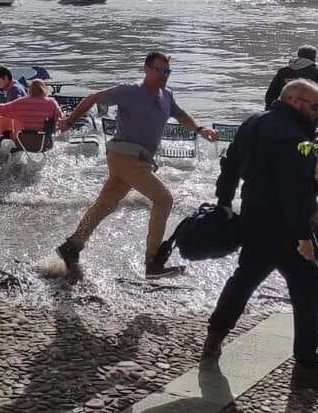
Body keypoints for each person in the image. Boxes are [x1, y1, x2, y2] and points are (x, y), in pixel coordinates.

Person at [203, 79, 318, 394]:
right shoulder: (294, 137)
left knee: (245, 279)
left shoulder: (254, 122)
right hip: (285, 227)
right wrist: (304, 238)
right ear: (295, 101)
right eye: (314, 106)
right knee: (310, 294)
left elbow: (230, 165)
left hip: (253, 217)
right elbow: (294, 194)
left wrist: (225, 202)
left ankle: (213, 338)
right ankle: (307, 368)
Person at [54, 51, 219, 279]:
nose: (164, 75)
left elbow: (181, 116)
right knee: (164, 199)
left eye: (167, 71)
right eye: (160, 70)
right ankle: (153, 263)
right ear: (146, 69)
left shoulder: (167, 95)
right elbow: (93, 97)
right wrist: (70, 121)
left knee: (105, 204)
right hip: (125, 155)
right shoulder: (130, 91)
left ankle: (72, 245)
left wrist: (201, 130)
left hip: (138, 160)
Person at [0, 79, 63, 152]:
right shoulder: (51, 103)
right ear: (44, 89)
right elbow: (60, 119)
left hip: (22, 142)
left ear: (30, 90)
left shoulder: (21, 103)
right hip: (44, 143)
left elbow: (3, 108)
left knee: (12, 130)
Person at [265, 46, 318, 129]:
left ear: (299, 56)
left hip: (283, 115)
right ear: (314, 58)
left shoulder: (283, 72)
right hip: (306, 117)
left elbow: (270, 96)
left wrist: (267, 118)